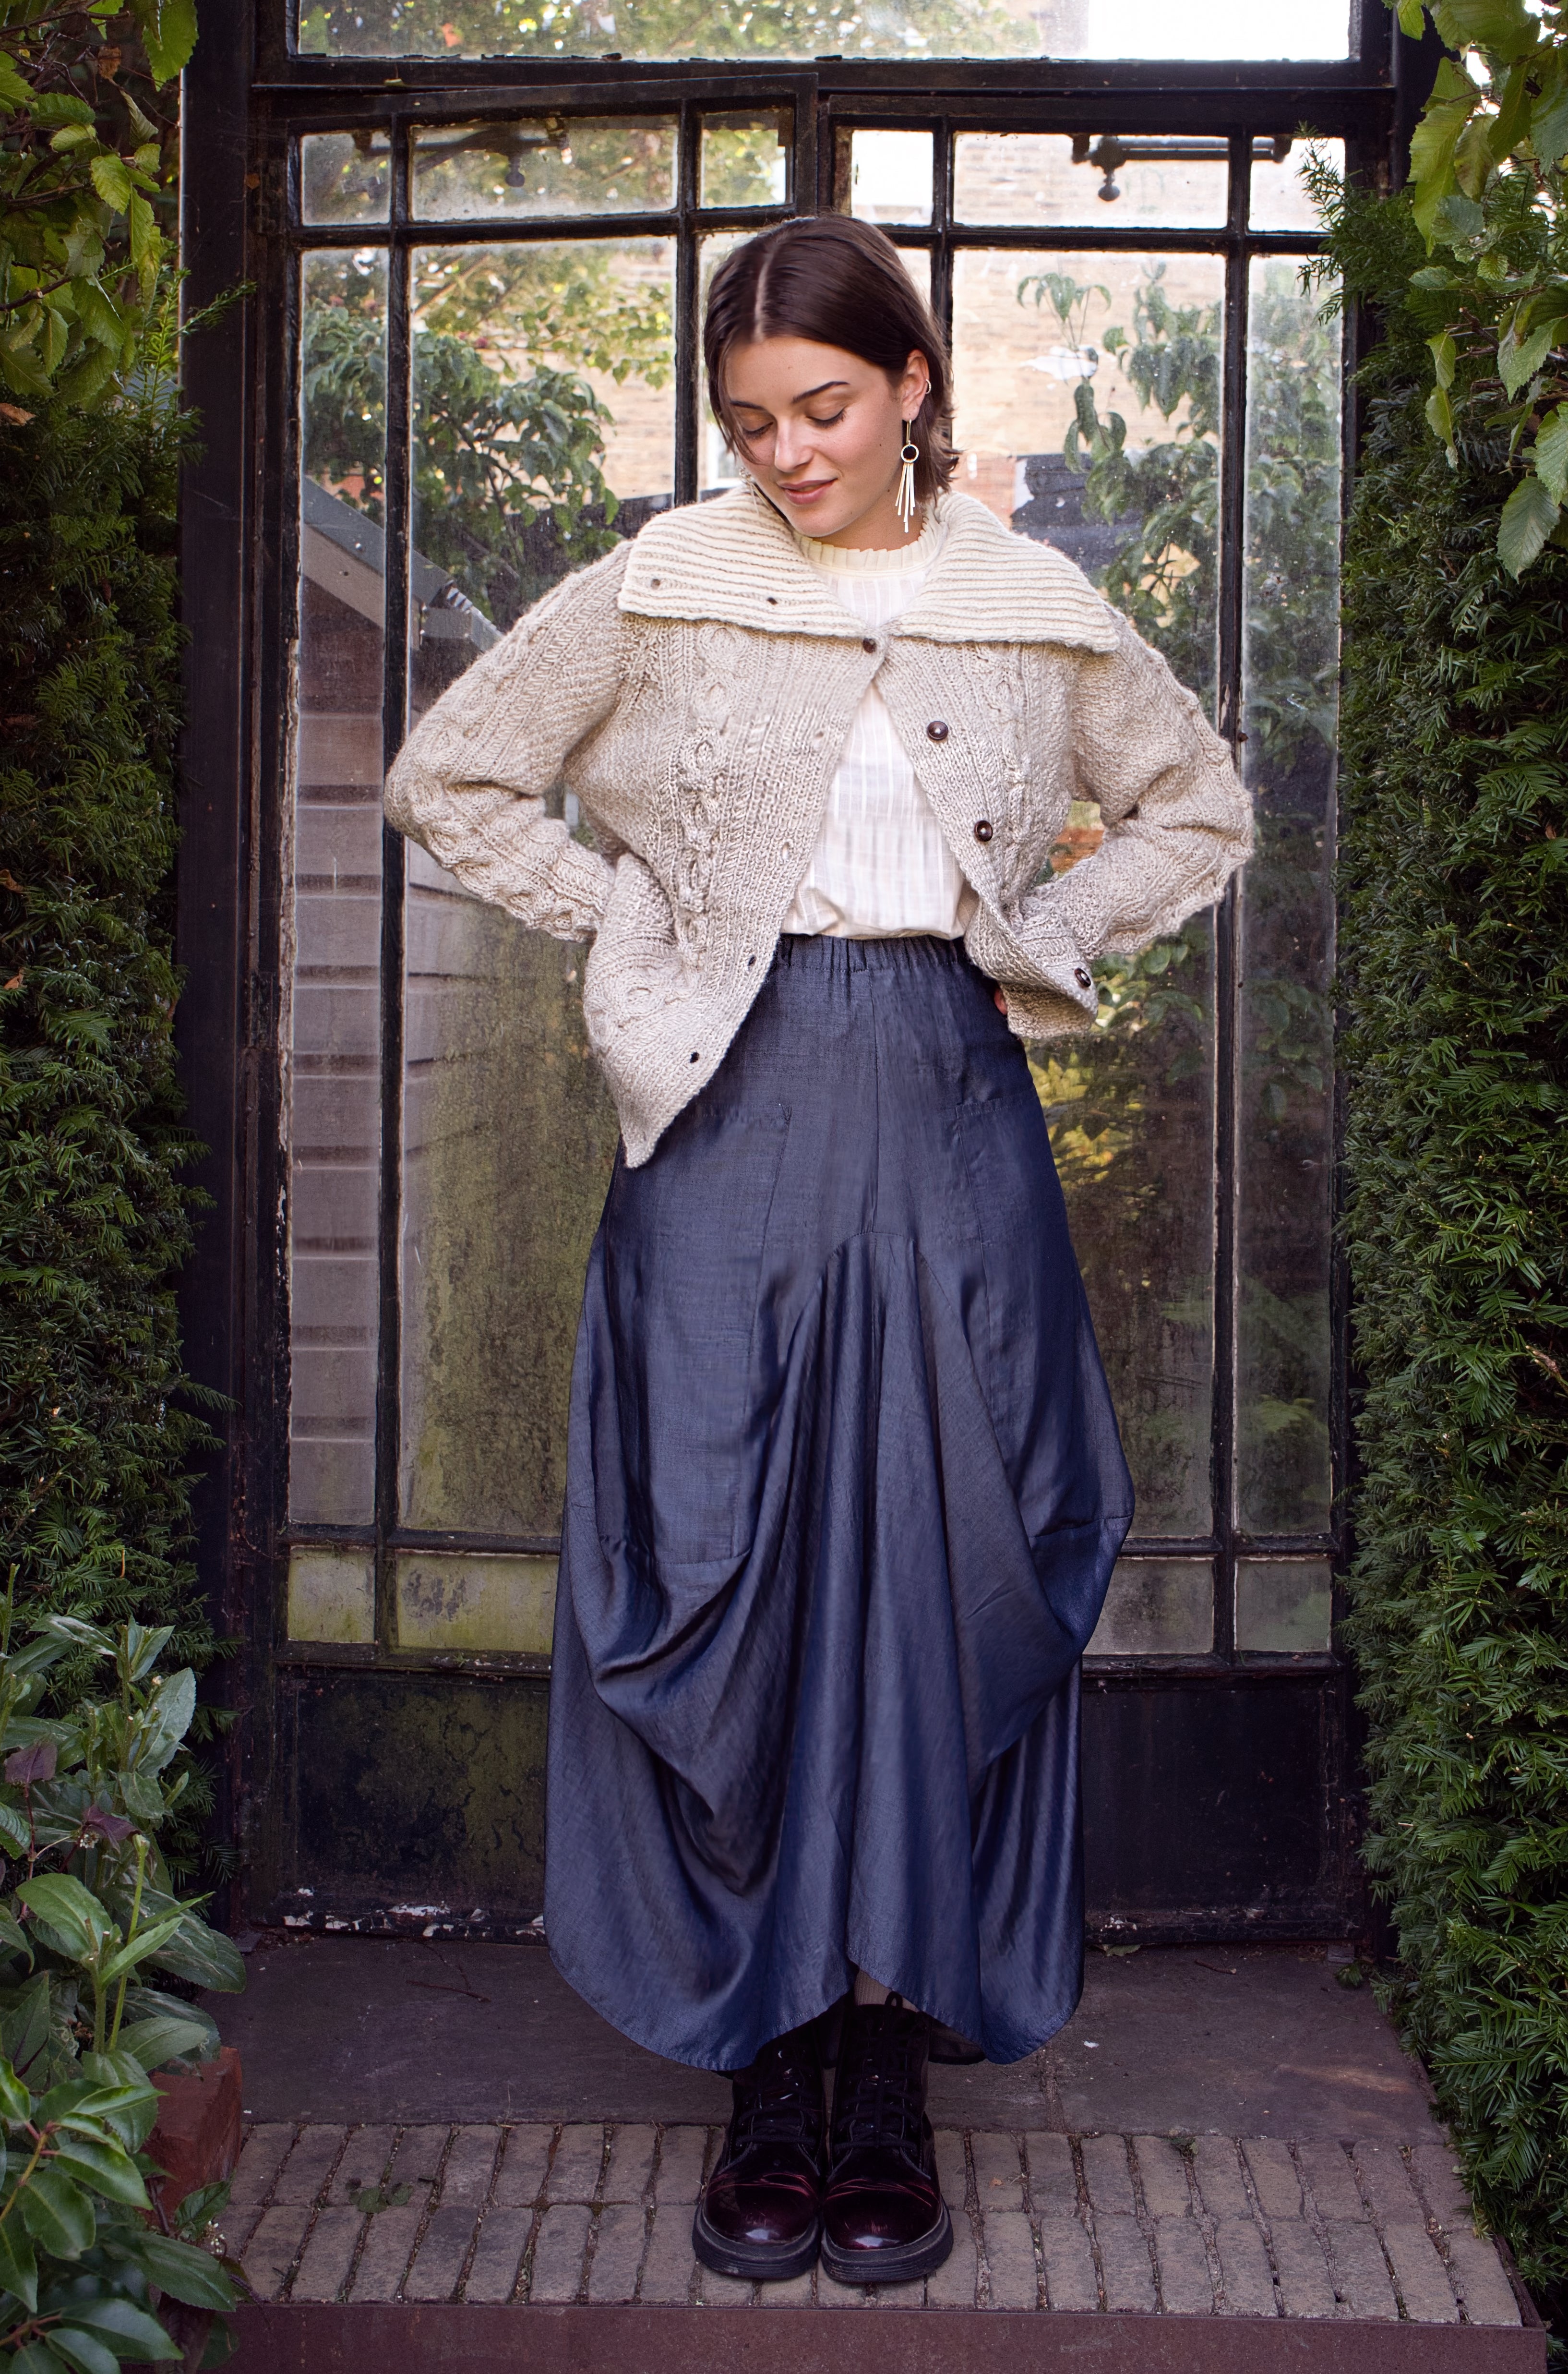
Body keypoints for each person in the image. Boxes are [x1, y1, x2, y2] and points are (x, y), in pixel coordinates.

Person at [384, 213, 1253, 2290]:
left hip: (950, 1117)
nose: (784, 452)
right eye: (750, 417)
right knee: (730, 1565)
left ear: (912, 386)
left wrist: (1036, 937)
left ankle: (886, 2076)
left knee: (945, 1576)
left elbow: (1197, 810)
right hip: (721, 1123)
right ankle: (765, 2063)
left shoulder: (1029, 606)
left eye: (824, 409)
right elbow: (452, 771)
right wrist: (629, 922)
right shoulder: (657, 586)